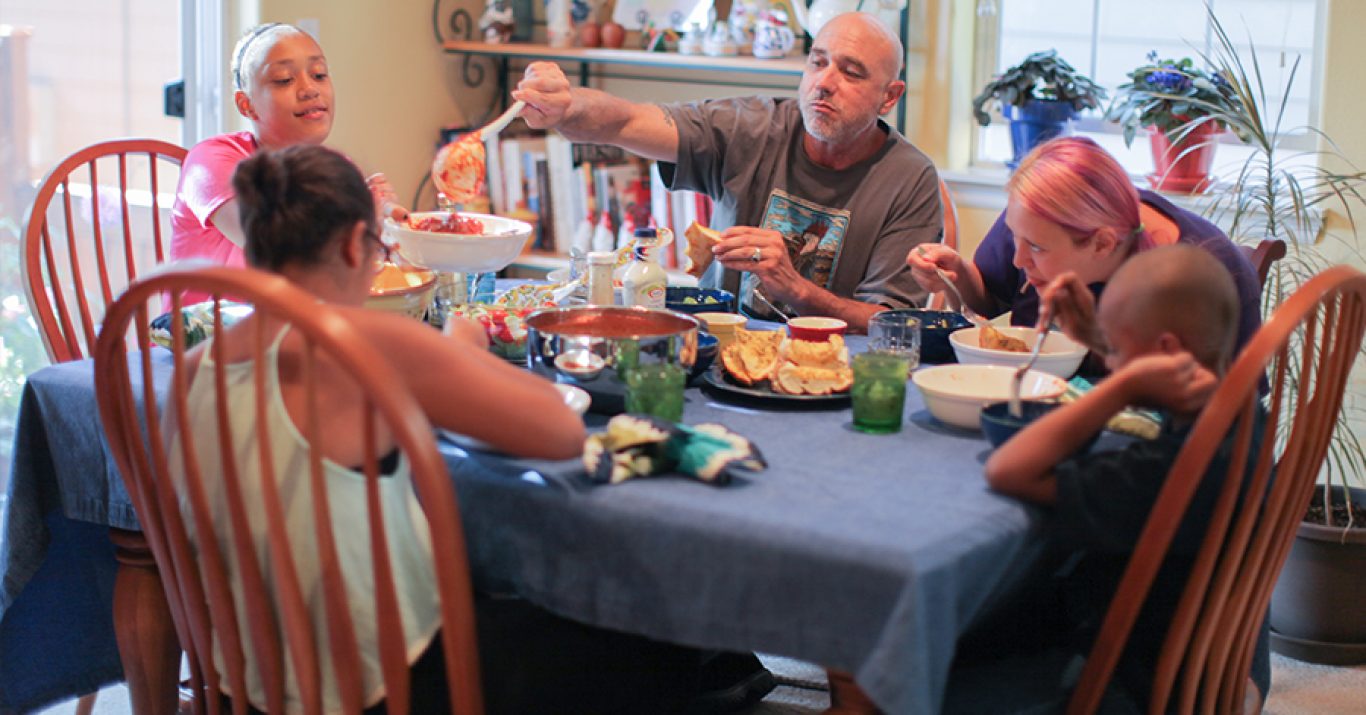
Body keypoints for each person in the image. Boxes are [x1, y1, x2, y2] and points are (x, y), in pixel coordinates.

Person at [169, 143, 772, 714]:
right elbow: (561, 436)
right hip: (385, 687)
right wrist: (463, 347)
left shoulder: (191, 373)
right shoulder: (370, 345)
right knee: (658, 633)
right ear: (357, 244)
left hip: (249, 683)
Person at [969, 245, 1270, 711]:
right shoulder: (1243, 415)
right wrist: (1100, 336)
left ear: (1165, 354)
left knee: (952, 639)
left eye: (1116, 350)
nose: (1109, 363)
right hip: (1194, 657)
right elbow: (1155, 362)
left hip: (1126, 678)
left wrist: (1120, 388)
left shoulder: (1170, 471)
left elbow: (1007, 469)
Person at [512, 12, 942, 331]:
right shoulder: (750, 126)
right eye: (817, 62)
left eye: (850, 72)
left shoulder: (910, 180)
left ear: (889, 97)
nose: (824, 82)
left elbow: (892, 325)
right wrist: (565, 106)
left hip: (832, 373)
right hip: (720, 348)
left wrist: (796, 288)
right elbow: (626, 121)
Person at [907, 136, 1262, 358]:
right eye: (1014, 236)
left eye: (1037, 248)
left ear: (1102, 244)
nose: (1018, 258)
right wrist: (958, 274)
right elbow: (992, 298)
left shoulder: (1198, 279)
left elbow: (1215, 417)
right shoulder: (1037, 214)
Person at [169, 22, 405, 303]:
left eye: (319, 75)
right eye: (284, 80)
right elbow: (277, 253)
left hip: (290, 322)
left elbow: (352, 277)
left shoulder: (337, 168)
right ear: (247, 105)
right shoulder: (210, 161)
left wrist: (381, 230)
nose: (309, 89)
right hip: (207, 328)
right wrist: (359, 224)